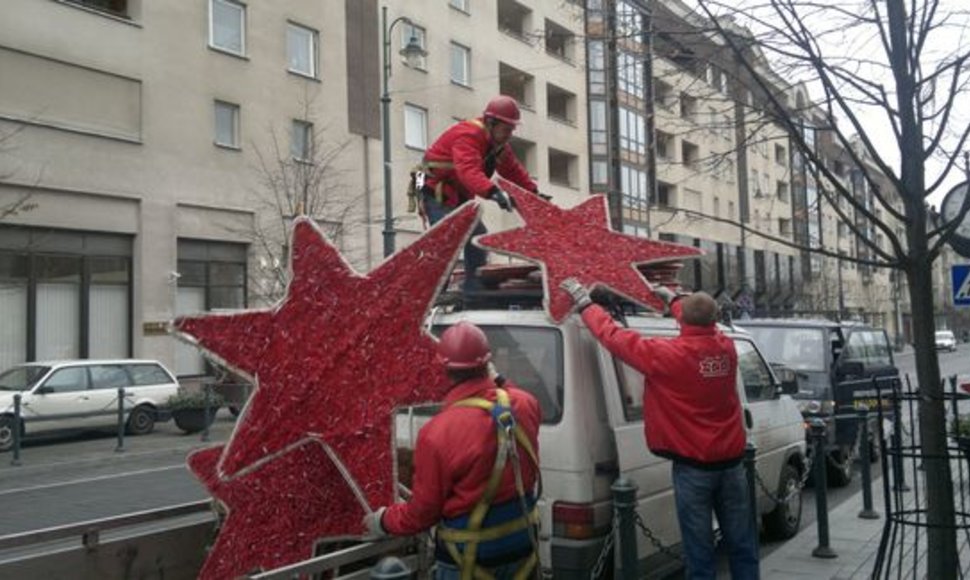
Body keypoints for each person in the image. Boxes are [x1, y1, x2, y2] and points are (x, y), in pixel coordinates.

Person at [560, 279, 759, 580]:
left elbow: (614, 337)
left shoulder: (668, 355)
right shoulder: (726, 348)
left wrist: (586, 305)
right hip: (731, 464)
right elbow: (701, 325)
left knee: (699, 552)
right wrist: (675, 301)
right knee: (742, 543)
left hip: (694, 469)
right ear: (716, 319)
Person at [362, 322, 542, 580]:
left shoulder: (437, 433)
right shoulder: (526, 404)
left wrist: (383, 520)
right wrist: (497, 378)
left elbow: (423, 513)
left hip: (468, 561)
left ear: (445, 369)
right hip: (522, 551)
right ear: (486, 363)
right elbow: (509, 393)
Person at [413, 95, 542, 293]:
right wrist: (494, 193)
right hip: (436, 192)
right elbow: (468, 171)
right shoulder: (469, 135)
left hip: (458, 197)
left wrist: (534, 194)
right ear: (491, 123)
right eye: (507, 129)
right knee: (447, 241)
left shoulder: (498, 146)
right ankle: (431, 295)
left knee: (477, 236)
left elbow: (513, 171)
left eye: (512, 129)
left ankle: (474, 290)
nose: (510, 134)